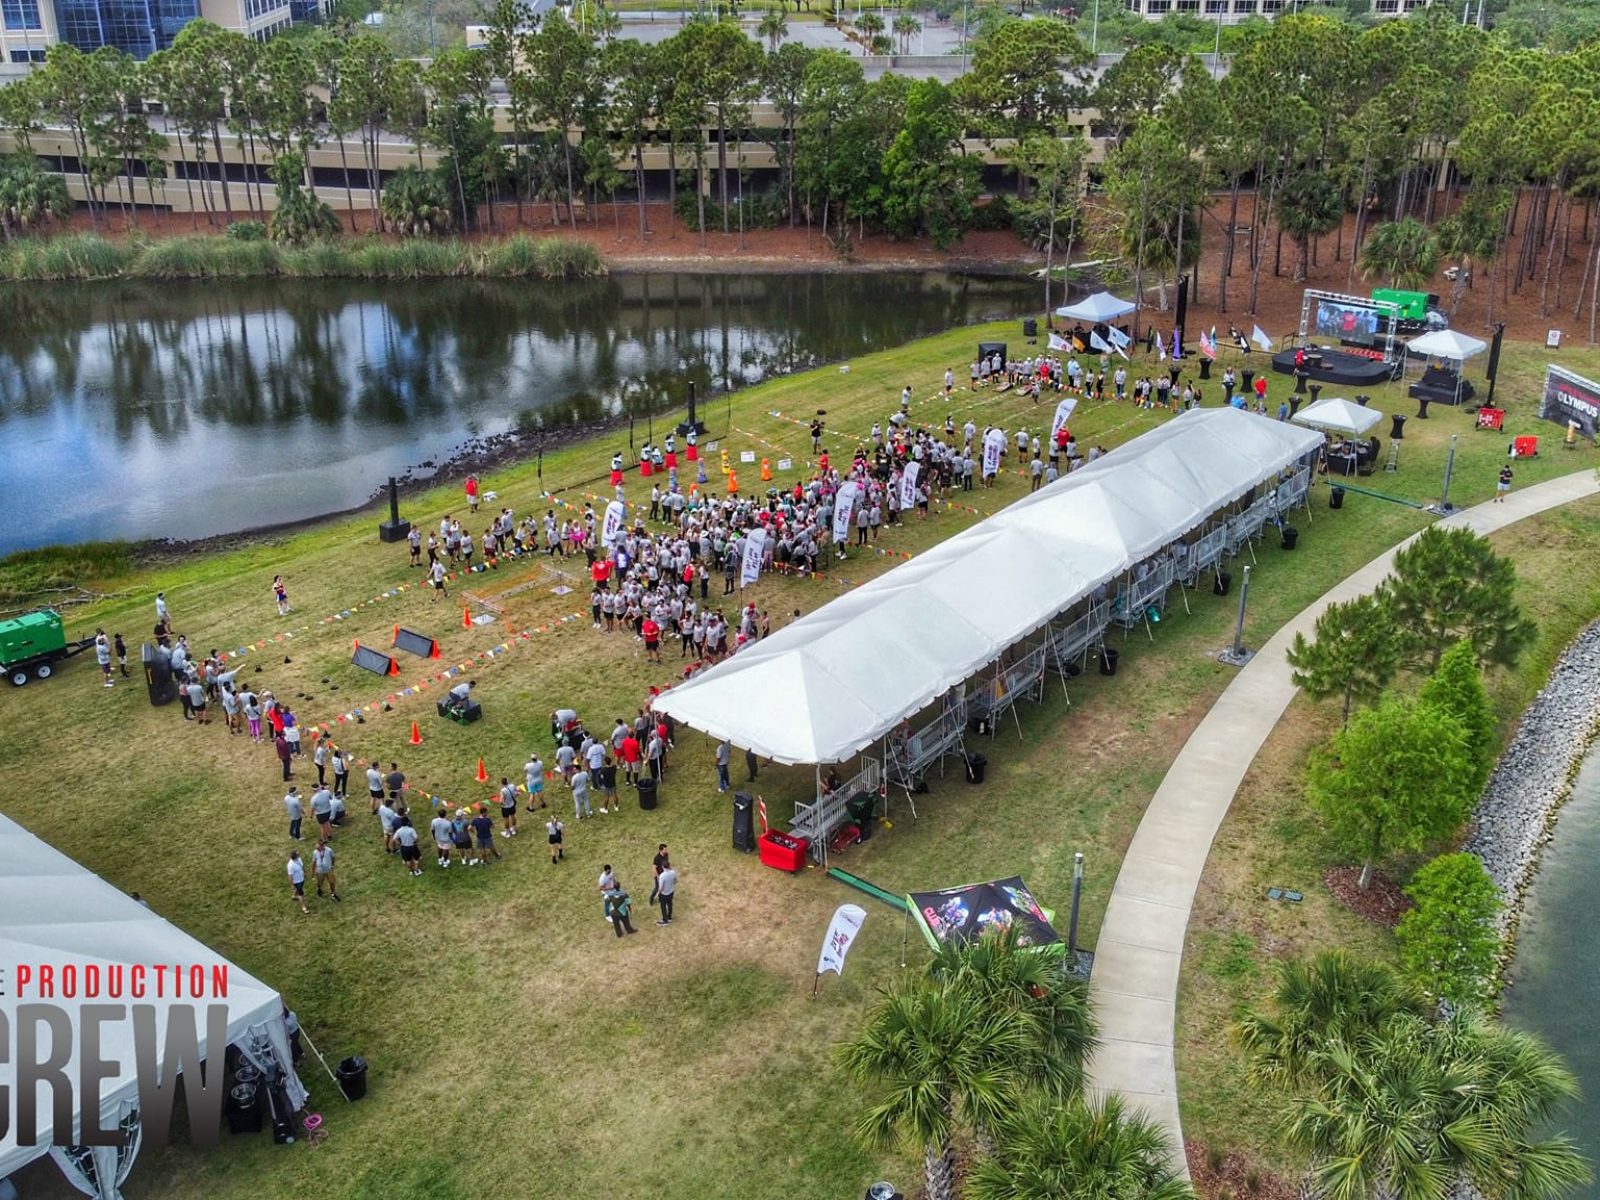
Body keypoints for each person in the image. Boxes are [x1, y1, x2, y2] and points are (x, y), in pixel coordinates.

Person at [649, 843, 671, 907]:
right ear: (661, 850)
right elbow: (654, 868)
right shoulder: (657, 858)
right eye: (665, 850)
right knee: (657, 888)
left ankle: (660, 898)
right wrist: (658, 877)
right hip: (659, 875)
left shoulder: (666, 854)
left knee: (663, 887)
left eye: (666, 849)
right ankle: (651, 899)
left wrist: (669, 870)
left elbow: (667, 863)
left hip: (664, 874)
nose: (666, 851)